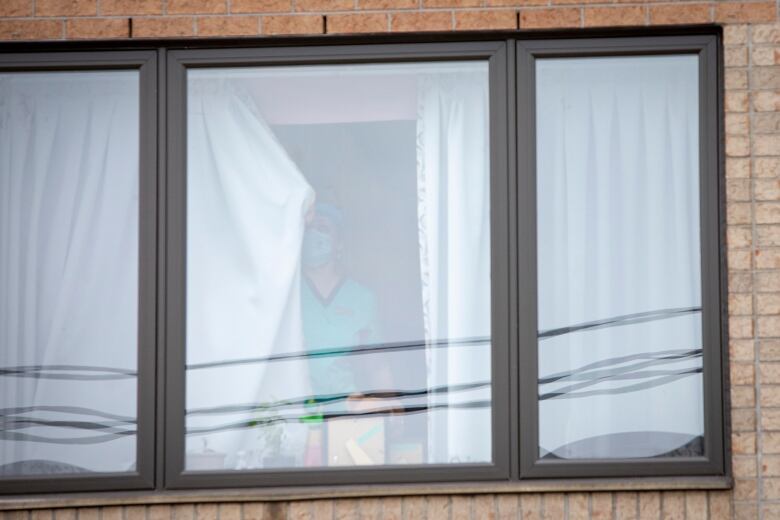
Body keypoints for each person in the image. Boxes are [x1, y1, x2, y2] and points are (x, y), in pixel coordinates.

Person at [300, 201, 380, 398]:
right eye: (309, 229)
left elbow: (377, 366)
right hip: (296, 414)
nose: (314, 235)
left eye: (323, 228)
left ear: (339, 244)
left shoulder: (361, 298)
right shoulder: (288, 294)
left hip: (345, 413)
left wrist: (392, 408)